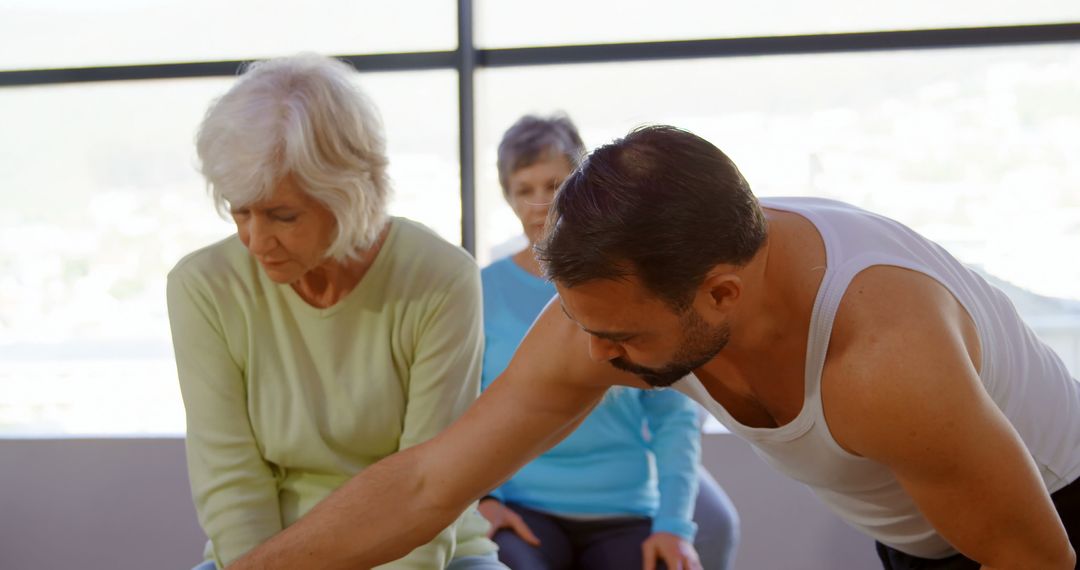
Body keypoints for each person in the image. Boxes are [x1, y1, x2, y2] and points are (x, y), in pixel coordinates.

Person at [226, 125, 1080, 570]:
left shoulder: (884, 357)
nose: (595, 353)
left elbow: (1033, 556)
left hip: (1050, 518)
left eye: (620, 335)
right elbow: (427, 481)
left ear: (721, 294)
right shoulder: (619, 299)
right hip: (917, 529)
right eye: (585, 326)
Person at [166, 54, 504, 569]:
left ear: (349, 193)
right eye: (240, 210)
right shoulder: (203, 287)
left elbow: (431, 484)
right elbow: (231, 483)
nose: (256, 240)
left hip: (434, 550)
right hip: (266, 556)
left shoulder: (441, 279)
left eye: (283, 215)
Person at [480, 115, 739, 570]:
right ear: (508, 196)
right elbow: (466, 406)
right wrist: (484, 498)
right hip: (523, 507)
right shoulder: (482, 292)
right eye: (524, 190)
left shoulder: (625, 287)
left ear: (579, 189)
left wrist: (674, 527)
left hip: (625, 510)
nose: (540, 203)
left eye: (554, 184)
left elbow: (673, 417)